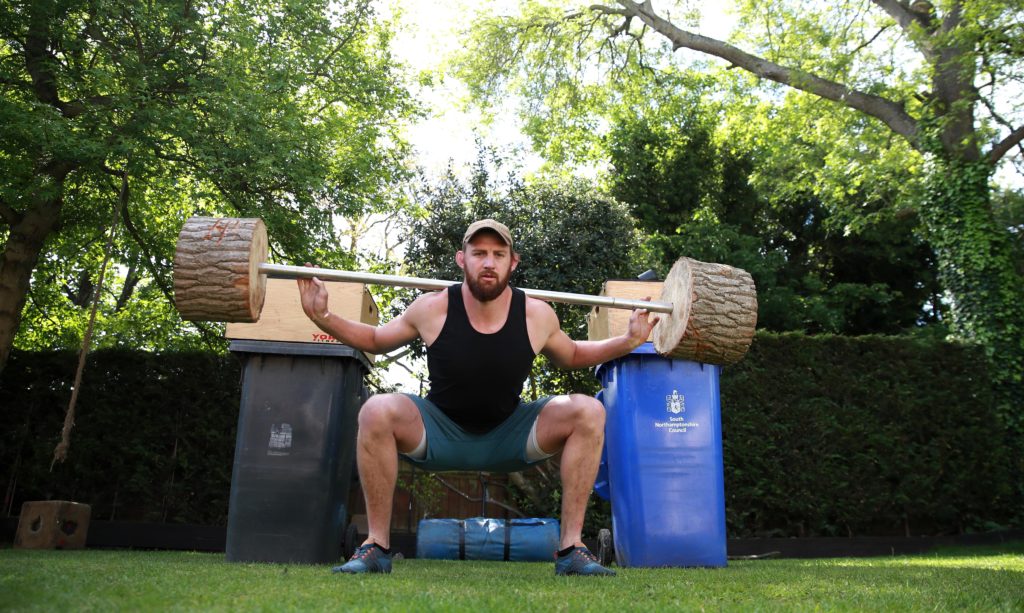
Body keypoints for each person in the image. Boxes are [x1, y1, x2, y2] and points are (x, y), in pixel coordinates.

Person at [298, 219, 656, 576]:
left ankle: (571, 550)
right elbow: (377, 340)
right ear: (461, 259)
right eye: (479, 253)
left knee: (588, 410)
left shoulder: (536, 314)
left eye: (498, 254)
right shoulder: (431, 308)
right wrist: (323, 316)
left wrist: (627, 342)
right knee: (377, 409)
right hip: (438, 434)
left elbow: (573, 354)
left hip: (511, 435)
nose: (489, 262)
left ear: (512, 263)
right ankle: (376, 546)